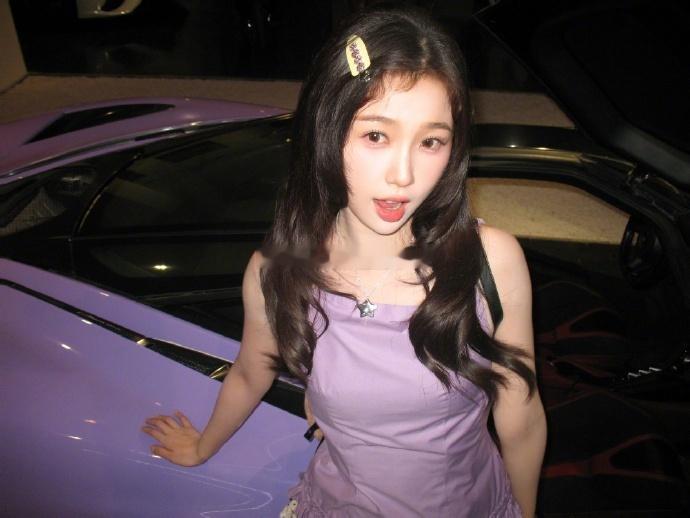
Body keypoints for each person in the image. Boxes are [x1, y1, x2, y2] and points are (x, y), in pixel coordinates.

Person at [142, 6, 546, 517]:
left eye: (431, 141)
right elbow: (250, 372)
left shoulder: (489, 261)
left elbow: (521, 419)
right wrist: (203, 446)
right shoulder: (279, 270)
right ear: (327, 132)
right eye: (376, 136)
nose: (403, 175)